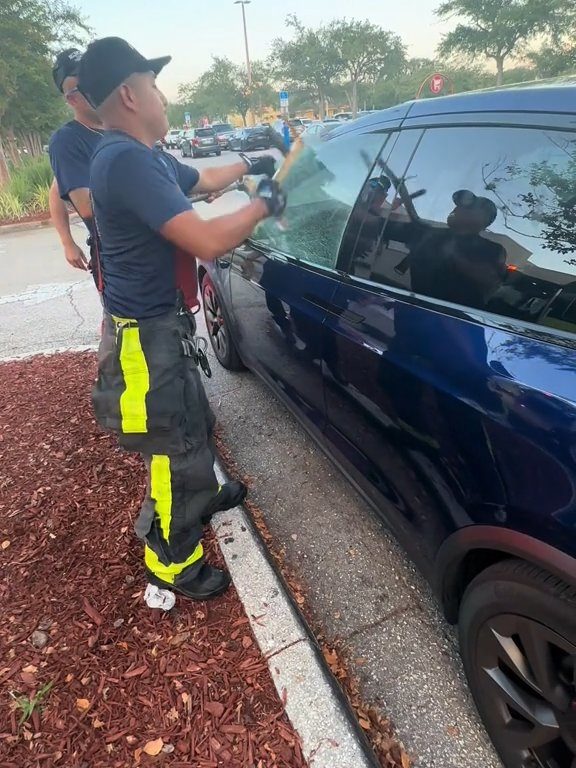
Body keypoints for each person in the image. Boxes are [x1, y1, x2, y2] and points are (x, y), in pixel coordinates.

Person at [77, 37, 286, 602]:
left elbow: (205, 182)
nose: (164, 96)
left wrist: (256, 161)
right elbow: (209, 238)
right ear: (129, 94)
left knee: (192, 426)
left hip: (158, 328)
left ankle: (200, 496)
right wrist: (269, 201)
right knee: (173, 450)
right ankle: (172, 559)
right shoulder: (123, 161)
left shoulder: (143, 156)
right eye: (154, 84)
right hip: (144, 340)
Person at [48, 49, 104, 277]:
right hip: (121, 262)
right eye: (85, 85)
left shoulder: (123, 126)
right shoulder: (69, 140)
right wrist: (67, 242)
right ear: (71, 98)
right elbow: (89, 208)